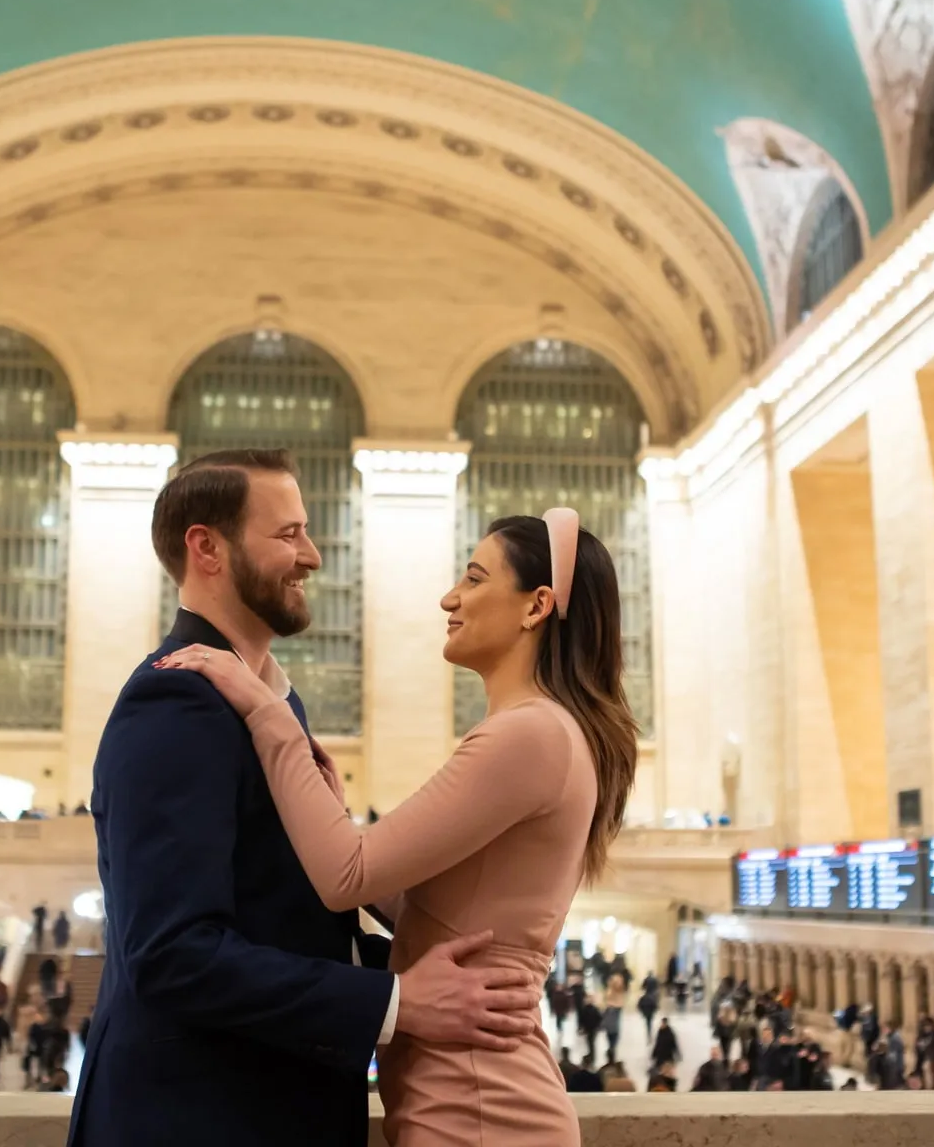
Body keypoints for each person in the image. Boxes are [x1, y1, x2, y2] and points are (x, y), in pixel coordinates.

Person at [70, 452, 550, 1147]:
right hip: (199, 1120)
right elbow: (171, 952)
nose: (313, 556)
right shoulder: (177, 696)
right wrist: (396, 1002)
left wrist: (412, 970)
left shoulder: (261, 699)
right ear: (206, 547)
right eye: (288, 534)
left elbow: (284, 914)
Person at [151, 468, 636, 1147]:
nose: (450, 597)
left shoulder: (530, 735)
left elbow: (345, 876)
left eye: (473, 578)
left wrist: (268, 714)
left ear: (536, 606)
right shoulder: (549, 733)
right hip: (473, 1095)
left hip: (481, 1109)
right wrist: (334, 817)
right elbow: (433, 911)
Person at [601, 971, 626, 1063]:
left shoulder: (615, 991)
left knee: (613, 1033)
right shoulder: (610, 991)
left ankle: (612, 1050)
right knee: (612, 1034)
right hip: (611, 1010)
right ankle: (612, 1050)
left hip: (613, 1010)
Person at [637, 972, 660, 1042]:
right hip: (652, 999)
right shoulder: (655, 979)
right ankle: (649, 1033)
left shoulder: (646, 979)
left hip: (646, 1002)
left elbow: (642, 987)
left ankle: (649, 1033)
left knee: (648, 1021)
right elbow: (657, 987)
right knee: (650, 1019)